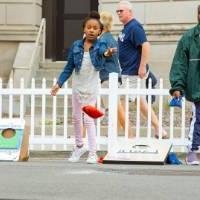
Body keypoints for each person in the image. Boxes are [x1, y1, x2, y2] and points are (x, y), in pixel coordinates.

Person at [51, 11, 116, 164]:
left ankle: (93, 152)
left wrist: (107, 53)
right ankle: (79, 146)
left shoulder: (101, 45)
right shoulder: (76, 46)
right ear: (84, 29)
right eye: (89, 27)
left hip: (91, 89)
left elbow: (103, 53)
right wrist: (58, 84)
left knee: (88, 119)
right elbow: (68, 67)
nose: (92, 30)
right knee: (75, 118)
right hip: (77, 87)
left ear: (100, 31)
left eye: (95, 28)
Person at [116, 0, 167, 138]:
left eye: (122, 10)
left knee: (121, 104)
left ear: (130, 11)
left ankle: (124, 136)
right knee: (137, 103)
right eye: (117, 11)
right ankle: (158, 130)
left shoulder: (134, 26)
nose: (119, 13)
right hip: (127, 72)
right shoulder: (126, 28)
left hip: (134, 73)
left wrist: (142, 66)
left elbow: (145, 45)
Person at [169, 5, 200, 165]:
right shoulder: (188, 38)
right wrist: (177, 86)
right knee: (198, 119)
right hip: (197, 88)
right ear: (198, 15)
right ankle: (193, 152)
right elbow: (180, 64)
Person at [99, 11, 134, 137]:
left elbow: (101, 55)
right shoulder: (110, 38)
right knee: (116, 110)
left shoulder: (103, 40)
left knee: (116, 110)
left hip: (108, 78)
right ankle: (116, 137)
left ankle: (130, 137)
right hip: (115, 76)